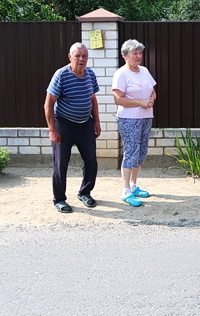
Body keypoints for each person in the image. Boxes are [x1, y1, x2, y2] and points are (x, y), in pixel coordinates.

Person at [44, 43, 101, 213]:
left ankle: (85, 192)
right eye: (77, 56)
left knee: (91, 161)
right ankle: (59, 199)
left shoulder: (90, 74)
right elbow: (48, 104)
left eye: (84, 56)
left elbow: (93, 99)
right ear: (70, 57)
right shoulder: (61, 75)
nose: (81, 59)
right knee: (61, 164)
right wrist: (52, 130)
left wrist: (96, 121)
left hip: (85, 125)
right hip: (64, 125)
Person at [112, 39, 157, 207]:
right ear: (125, 56)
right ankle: (126, 191)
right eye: (134, 54)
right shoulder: (121, 74)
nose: (138, 56)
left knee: (141, 152)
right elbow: (118, 100)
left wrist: (150, 100)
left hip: (146, 117)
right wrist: (141, 102)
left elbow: (153, 92)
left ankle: (134, 185)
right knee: (131, 152)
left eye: (140, 53)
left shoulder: (144, 71)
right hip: (129, 118)